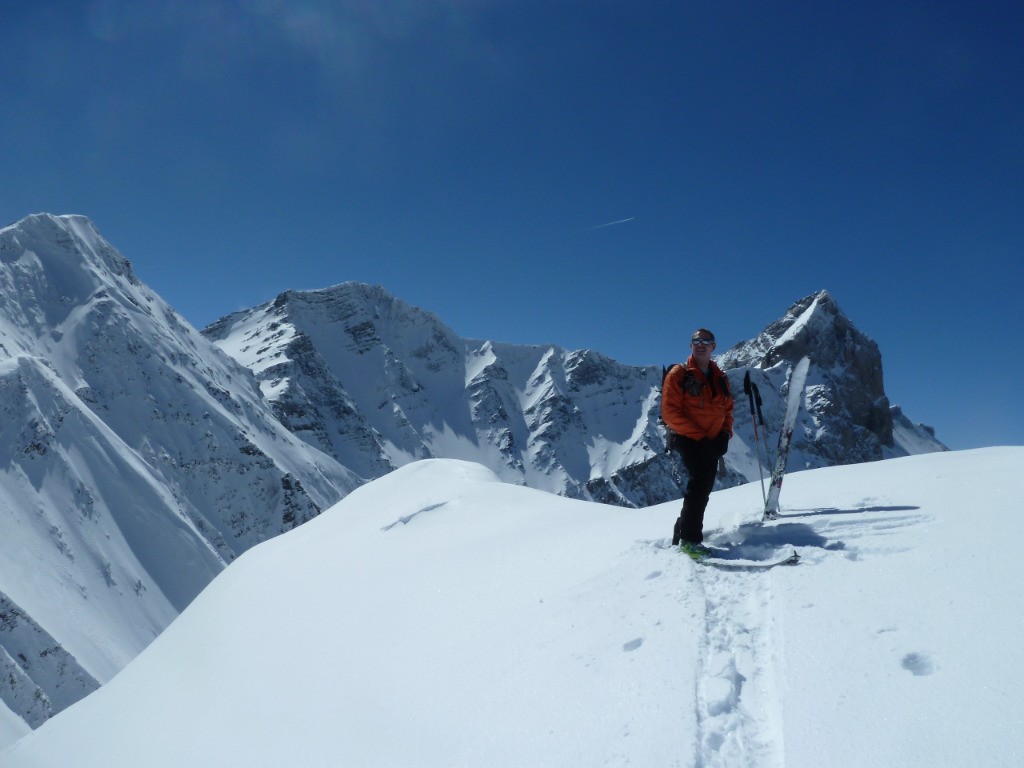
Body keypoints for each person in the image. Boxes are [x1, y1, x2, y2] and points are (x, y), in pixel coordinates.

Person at [661, 328, 734, 557]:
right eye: (696, 341)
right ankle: (690, 540)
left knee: (703, 486)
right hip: (688, 439)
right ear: (690, 346)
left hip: (711, 442)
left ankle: (682, 529)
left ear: (713, 346)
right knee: (700, 483)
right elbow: (670, 414)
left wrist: (724, 434)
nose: (700, 344)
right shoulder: (679, 374)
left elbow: (727, 409)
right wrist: (699, 437)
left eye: (706, 341)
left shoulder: (720, 377)